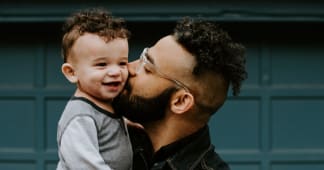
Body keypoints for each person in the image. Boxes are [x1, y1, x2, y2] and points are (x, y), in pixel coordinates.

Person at [113, 17, 247, 170]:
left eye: (147, 67)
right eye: (142, 56)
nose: (128, 68)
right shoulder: (107, 137)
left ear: (180, 102)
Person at [56, 8, 132, 170]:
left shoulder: (108, 103)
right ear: (71, 73)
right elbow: (85, 165)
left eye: (122, 63)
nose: (115, 72)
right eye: (101, 64)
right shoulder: (80, 118)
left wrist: (128, 124)